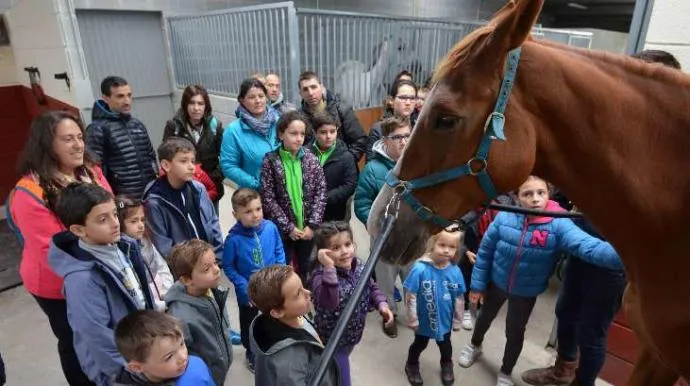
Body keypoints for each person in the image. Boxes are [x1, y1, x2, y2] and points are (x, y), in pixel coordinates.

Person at [520, 49, 682, 386]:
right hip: (585, 236)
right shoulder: (615, 145)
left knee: (593, 330)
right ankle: (562, 370)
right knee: (567, 311)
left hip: (615, 254)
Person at [457, 176, 623, 386]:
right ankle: (475, 345)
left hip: (525, 293)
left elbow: (587, 247)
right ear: (517, 197)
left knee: (514, 332)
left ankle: (506, 371)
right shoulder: (505, 217)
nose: (535, 199)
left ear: (549, 193)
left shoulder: (559, 223)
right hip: (497, 283)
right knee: (483, 318)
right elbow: (486, 251)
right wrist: (478, 285)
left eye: (540, 193)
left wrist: (628, 255)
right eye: (527, 194)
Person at [7, 111, 111, 386]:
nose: (78, 145)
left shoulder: (91, 173)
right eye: (68, 139)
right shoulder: (30, 192)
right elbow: (55, 251)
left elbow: (113, 214)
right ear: (47, 144)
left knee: (104, 335)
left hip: (104, 269)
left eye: (80, 137)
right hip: (58, 284)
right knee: (75, 341)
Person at [48, 183, 155, 386]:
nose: (115, 223)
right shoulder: (82, 279)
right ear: (79, 229)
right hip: (121, 370)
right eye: (102, 219)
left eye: (115, 214)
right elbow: (95, 335)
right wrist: (125, 374)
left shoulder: (122, 246)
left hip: (140, 349)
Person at [309, 221, 394, 386]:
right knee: (343, 379)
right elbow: (330, 301)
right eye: (336, 248)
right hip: (333, 339)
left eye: (347, 244)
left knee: (336, 367)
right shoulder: (319, 276)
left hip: (352, 334)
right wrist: (329, 268)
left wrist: (381, 304)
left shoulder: (359, 265)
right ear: (323, 252)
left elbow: (370, 286)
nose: (345, 252)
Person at [354, 116, 412, 338]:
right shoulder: (373, 169)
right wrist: (378, 226)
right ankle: (390, 316)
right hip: (384, 238)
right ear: (385, 140)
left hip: (411, 237)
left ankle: (414, 312)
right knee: (386, 282)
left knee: (412, 276)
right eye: (398, 137)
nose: (404, 141)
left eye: (407, 135)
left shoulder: (418, 164)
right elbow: (362, 203)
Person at [222, 187, 286, 372]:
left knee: (273, 318)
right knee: (249, 324)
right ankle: (251, 351)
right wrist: (243, 286)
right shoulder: (233, 240)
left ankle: (272, 345)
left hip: (272, 287)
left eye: (258, 209)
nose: (255, 215)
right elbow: (228, 266)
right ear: (236, 214)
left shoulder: (271, 228)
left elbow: (278, 250)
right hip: (248, 294)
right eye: (248, 212)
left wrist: (280, 270)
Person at [260, 111, 327, 283]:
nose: (299, 138)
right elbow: (268, 198)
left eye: (302, 134)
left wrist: (312, 225)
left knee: (306, 266)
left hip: (307, 230)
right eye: (293, 133)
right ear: (281, 134)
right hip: (284, 230)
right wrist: (287, 227)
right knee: (283, 267)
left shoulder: (312, 159)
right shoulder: (270, 161)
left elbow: (321, 193)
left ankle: (302, 296)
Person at [248, 265, 340, 386]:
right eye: (298, 294)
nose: (308, 293)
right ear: (277, 312)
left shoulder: (293, 316)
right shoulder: (288, 362)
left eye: (303, 287)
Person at [403, 229, 466, 386]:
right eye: (442, 244)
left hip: (444, 321)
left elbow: (459, 298)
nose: (446, 250)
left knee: (445, 346)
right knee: (419, 344)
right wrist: (413, 319)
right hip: (423, 321)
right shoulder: (419, 269)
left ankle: (446, 364)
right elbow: (411, 296)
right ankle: (411, 364)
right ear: (432, 244)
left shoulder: (455, 271)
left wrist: (458, 320)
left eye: (452, 247)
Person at [165, 240, 233, 386]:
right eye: (206, 269)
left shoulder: (212, 290)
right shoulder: (180, 316)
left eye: (215, 263)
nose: (216, 270)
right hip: (205, 376)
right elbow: (185, 356)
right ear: (187, 279)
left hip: (219, 368)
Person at [142, 137, 223, 259]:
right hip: (184, 271)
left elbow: (212, 221)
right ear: (166, 165)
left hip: (209, 261)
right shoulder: (155, 201)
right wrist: (187, 268)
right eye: (184, 161)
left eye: (192, 161)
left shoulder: (198, 188)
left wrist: (217, 255)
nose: (192, 167)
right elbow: (162, 244)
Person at [85, 76, 157, 198]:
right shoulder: (97, 129)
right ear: (106, 98)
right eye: (120, 96)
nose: (127, 101)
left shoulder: (137, 124)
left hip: (150, 195)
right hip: (123, 201)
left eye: (129, 95)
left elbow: (151, 158)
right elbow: (94, 170)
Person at [163, 85, 225, 207]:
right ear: (185, 104)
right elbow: (166, 157)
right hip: (183, 188)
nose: (196, 108)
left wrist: (215, 177)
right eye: (192, 103)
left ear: (206, 106)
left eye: (200, 103)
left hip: (210, 188)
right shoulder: (174, 126)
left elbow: (226, 156)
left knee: (211, 223)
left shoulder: (215, 126)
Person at [113, 310, 214, 385]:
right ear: (137, 367)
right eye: (169, 357)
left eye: (182, 344)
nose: (183, 357)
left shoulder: (194, 366)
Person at [220, 78, 280, 190]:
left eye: (261, 96)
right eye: (251, 97)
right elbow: (228, 166)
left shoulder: (279, 122)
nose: (258, 101)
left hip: (282, 193)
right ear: (242, 100)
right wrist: (257, 184)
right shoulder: (233, 131)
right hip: (254, 197)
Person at [115, 196, 174, 311]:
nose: (141, 225)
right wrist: (158, 304)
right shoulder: (122, 252)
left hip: (162, 297)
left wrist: (167, 292)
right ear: (120, 223)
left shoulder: (146, 240)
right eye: (133, 221)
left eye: (142, 220)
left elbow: (162, 267)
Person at [298, 70, 367, 162]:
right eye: (305, 89)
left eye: (313, 87)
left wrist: (346, 162)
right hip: (312, 171)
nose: (310, 93)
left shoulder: (341, 109)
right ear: (301, 94)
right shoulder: (299, 117)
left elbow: (360, 140)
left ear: (322, 87)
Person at [310, 112, 358, 222]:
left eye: (332, 131)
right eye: (323, 132)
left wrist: (324, 198)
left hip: (337, 213)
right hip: (310, 211)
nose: (328, 136)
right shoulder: (305, 153)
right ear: (314, 132)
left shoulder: (346, 156)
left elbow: (350, 185)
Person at [365, 79, 418, 162]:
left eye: (412, 98)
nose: (408, 102)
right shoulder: (379, 129)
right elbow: (371, 163)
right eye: (403, 97)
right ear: (391, 101)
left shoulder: (419, 127)